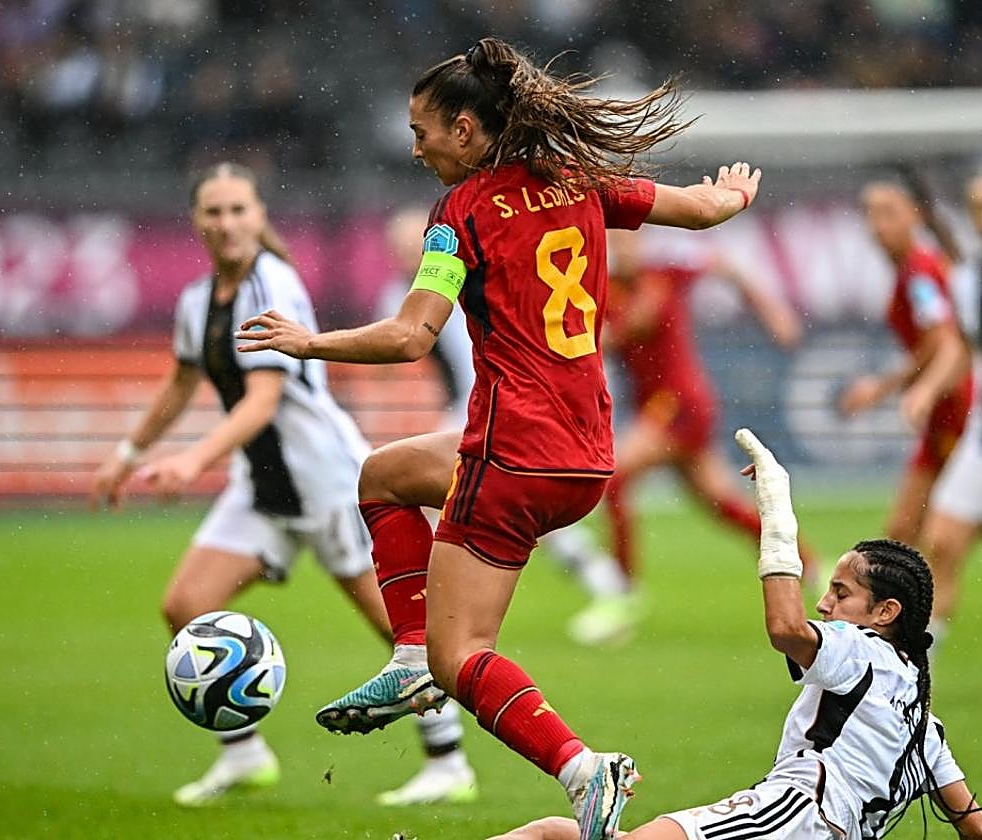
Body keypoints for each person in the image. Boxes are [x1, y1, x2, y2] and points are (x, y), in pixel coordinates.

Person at [235, 37, 765, 838]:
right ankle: (408, 655)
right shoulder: (578, 179)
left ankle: (580, 769)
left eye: (422, 133)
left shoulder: (460, 215)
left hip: (511, 452)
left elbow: (412, 335)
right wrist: (729, 197)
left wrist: (309, 343)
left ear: (466, 129)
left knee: (463, 657)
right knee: (383, 474)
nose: (416, 150)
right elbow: (694, 210)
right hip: (585, 455)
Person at [89, 162, 475, 808]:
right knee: (186, 605)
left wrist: (192, 461)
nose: (227, 223)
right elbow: (181, 383)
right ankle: (244, 754)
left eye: (239, 209)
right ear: (196, 222)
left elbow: (262, 399)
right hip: (263, 487)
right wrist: (129, 453)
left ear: (260, 215)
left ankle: (449, 763)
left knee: (401, 629)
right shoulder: (196, 301)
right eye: (214, 211)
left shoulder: (273, 283)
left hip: (329, 483)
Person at [490, 429, 982, 840]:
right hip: (808, 824)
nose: (825, 604)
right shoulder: (924, 727)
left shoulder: (863, 652)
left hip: (790, 817)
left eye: (841, 593)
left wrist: (776, 510)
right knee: (554, 834)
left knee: (565, 836)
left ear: (885, 613)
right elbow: (975, 827)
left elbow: (786, 628)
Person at [569, 228, 808, 645]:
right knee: (723, 505)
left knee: (614, 477)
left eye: (627, 240)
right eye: (613, 242)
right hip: (659, 408)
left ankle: (622, 593)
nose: (622, 249)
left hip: (679, 402)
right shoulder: (600, 290)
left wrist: (774, 313)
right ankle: (810, 564)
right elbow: (596, 338)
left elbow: (728, 268)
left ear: (640, 240)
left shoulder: (666, 273)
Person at [377, 206, 602, 596]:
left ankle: (429, 593)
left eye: (413, 245)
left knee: (430, 490)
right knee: (497, 502)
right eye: (398, 247)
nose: (406, 254)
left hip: (488, 404)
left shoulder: (454, 280)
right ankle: (591, 569)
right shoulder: (397, 296)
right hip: (464, 407)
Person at [839, 180, 972, 546]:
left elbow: (944, 340)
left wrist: (889, 388)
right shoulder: (915, 268)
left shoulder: (919, 272)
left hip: (957, 407)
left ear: (915, 216)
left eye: (888, 213)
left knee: (929, 534)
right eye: (870, 214)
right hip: (943, 409)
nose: (877, 225)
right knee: (905, 532)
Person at [920, 173, 982, 648]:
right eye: (976, 207)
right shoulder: (968, 278)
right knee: (941, 542)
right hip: (981, 437)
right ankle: (916, 675)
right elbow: (963, 349)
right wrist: (927, 389)